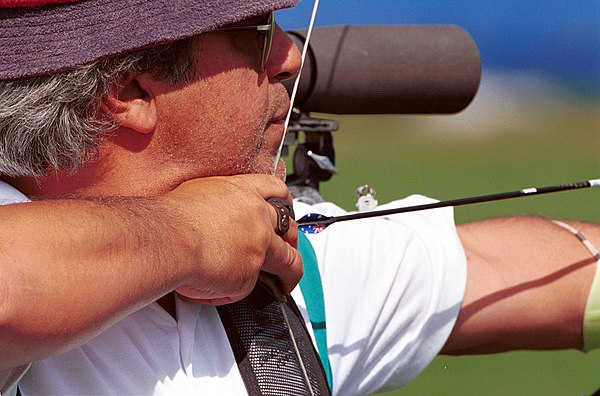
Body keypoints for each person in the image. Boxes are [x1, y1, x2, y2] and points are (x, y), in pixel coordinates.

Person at [0, 0, 599, 395]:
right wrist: (190, 236)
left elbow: (543, 273)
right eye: (256, 34)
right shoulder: (217, 236)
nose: (290, 56)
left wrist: (210, 235)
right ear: (130, 90)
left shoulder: (263, 251)